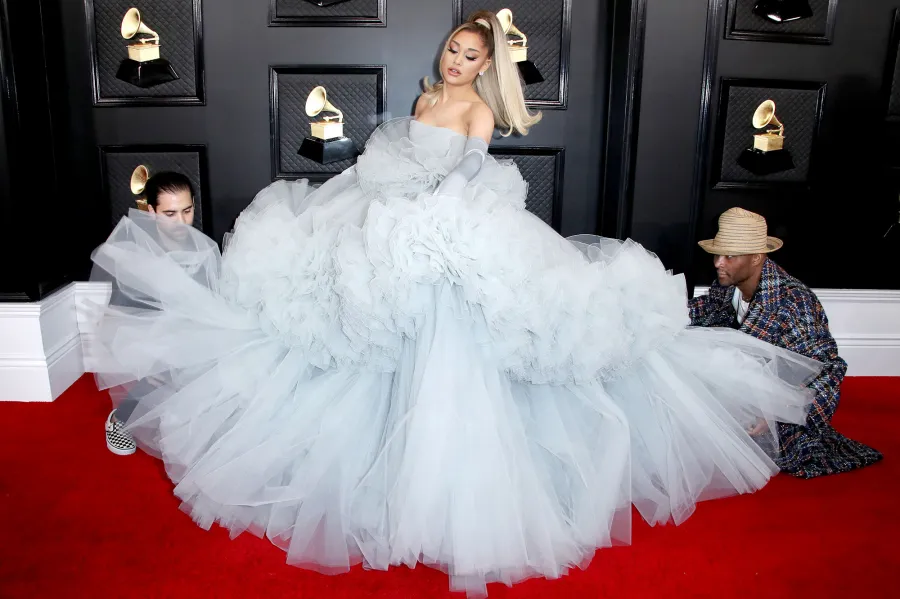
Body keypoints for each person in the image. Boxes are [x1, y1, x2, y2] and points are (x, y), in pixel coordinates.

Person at [85, 11, 824, 596]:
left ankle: (450, 488)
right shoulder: (425, 97)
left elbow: (469, 174)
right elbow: (390, 162)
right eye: (453, 50)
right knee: (349, 327)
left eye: (472, 56)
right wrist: (390, 203)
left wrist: (431, 214)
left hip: (445, 225)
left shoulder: (475, 112)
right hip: (382, 213)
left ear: (487, 66)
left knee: (458, 342)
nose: (456, 62)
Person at [689, 207, 883, 478]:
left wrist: (775, 413)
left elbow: (829, 370)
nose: (718, 263)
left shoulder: (793, 302)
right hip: (737, 390)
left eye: (729, 256)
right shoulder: (728, 283)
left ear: (757, 257)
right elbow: (706, 309)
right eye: (717, 254)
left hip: (775, 417)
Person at [100, 171, 198, 456]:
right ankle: (120, 418)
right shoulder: (135, 253)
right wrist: (153, 356)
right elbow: (120, 316)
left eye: (187, 210)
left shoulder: (202, 246)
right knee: (163, 366)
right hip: (143, 333)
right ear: (151, 211)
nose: (181, 222)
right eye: (169, 213)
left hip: (190, 330)